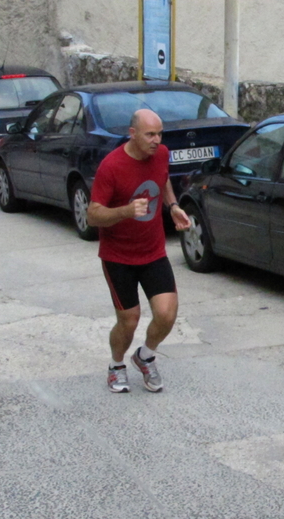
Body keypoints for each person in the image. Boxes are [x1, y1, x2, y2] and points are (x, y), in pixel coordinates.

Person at [86, 108, 191, 394]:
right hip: (118, 256)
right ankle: (116, 365)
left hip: (152, 250)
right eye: (150, 134)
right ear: (132, 134)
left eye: (159, 134)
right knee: (129, 320)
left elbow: (163, 178)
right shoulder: (112, 166)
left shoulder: (161, 154)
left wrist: (173, 207)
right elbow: (93, 215)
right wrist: (127, 211)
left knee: (167, 314)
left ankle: (145, 356)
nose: (156, 140)